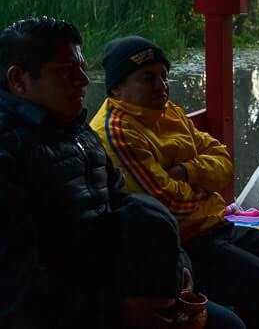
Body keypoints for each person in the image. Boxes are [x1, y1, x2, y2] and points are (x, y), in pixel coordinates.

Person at [0, 17, 244, 329]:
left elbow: (126, 202)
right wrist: (120, 311)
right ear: (18, 80)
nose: (84, 81)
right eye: (65, 71)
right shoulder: (9, 157)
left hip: (119, 282)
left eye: (82, 67)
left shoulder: (76, 131)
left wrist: (177, 262)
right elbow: (16, 291)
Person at [90, 35, 259, 329]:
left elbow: (223, 161)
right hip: (187, 248)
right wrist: (203, 183)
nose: (161, 85)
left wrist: (186, 171)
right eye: (147, 78)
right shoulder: (117, 132)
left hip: (218, 226)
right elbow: (170, 206)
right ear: (116, 86)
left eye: (164, 76)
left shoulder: (169, 111)